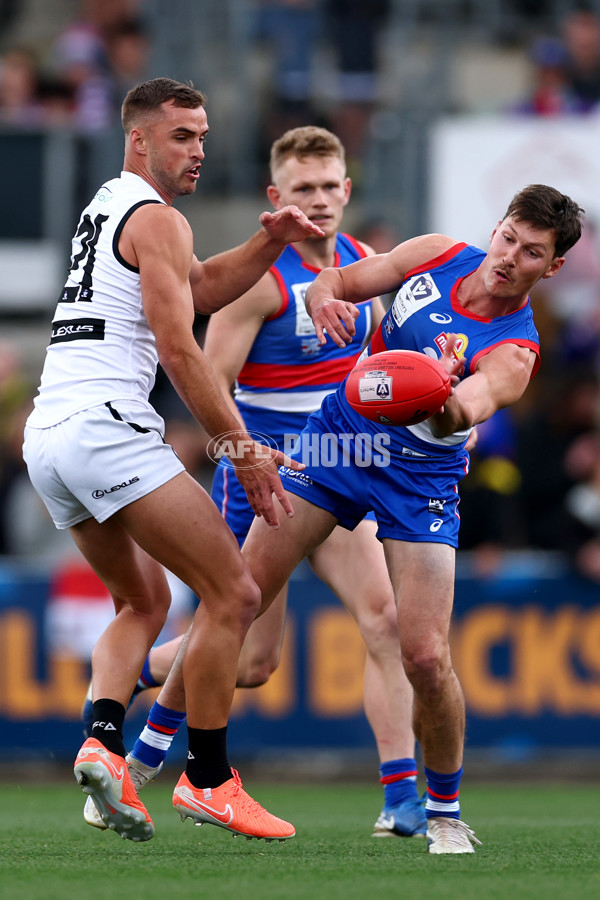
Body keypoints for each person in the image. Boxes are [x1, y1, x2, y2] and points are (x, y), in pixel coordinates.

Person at [96, 125, 424, 840]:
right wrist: (241, 456)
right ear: (277, 197)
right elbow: (207, 382)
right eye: (302, 189)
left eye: (330, 186)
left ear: (347, 190)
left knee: (387, 620)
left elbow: (379, 377)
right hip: (268, 484)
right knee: (249, 661)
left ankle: (403, 800)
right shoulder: (259, 283)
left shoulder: (367, 268)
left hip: (341, 474)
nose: (320, 200)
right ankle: (132, 720)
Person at [237, 183, 583, 854]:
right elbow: (337, 278)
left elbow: (466, 409)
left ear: (553, 267)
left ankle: (444, 811)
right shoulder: (438, 255)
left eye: (532, 253)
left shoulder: (516, 351)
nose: (510, 257)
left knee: (424, 655)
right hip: (339, 442)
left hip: (419, 479)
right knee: (240, 592)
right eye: (509, 237)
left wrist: (431, 393)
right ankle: (148, 751)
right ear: (499, 226)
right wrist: (320, 297)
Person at [22, 76, 324, 844]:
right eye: (183, 135)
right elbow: (179, 345)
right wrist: (240, 448)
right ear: (139, 137)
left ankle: (102, 744)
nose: (198, 150)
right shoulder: (157, 218)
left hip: (49, 436)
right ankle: (210, 778)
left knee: (144, 604)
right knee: (235, 593)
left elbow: (197, 290)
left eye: (204, 135)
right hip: (105, 428)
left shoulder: (109, 205)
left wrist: (271, 240)